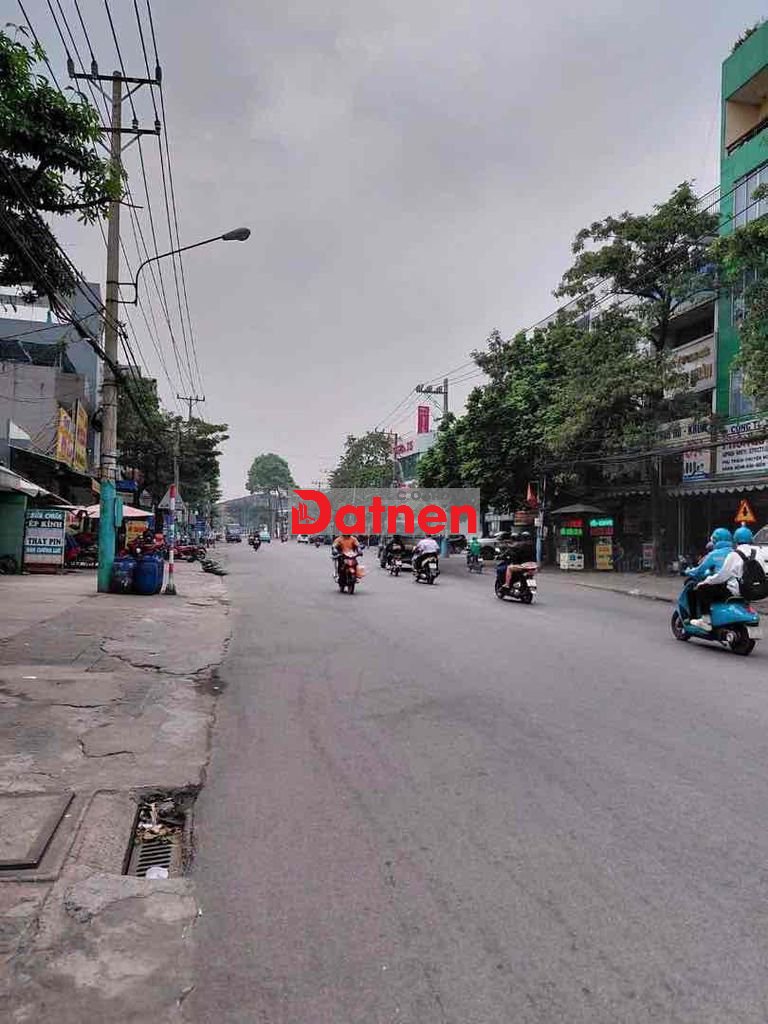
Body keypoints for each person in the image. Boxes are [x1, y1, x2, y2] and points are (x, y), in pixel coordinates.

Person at [691, 525, 764, 629]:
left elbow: (722, 576)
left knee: (702, 589)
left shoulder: (734, 555)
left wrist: (706, 581)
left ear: (735, 539)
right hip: (755, 591)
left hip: (736, 590)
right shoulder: (759, 553)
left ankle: (706, 620)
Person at [684, 527, 734, 625]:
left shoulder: (714, 554)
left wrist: (688, 571)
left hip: (720, 586)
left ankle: (702, 619)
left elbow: (700, 570)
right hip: (734, 587)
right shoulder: (734, 552)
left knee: (694, 591)